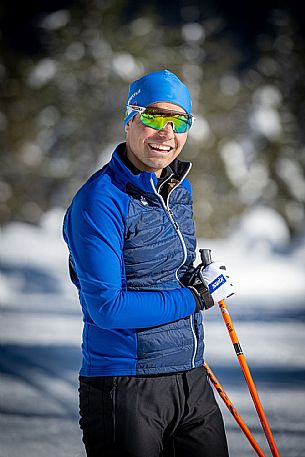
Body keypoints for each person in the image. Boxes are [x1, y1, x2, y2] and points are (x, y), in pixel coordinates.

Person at [63, 69, 234, 457]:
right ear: (130, 119)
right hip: (126, 386)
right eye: (155, 117)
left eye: (180, 121)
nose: (166, 132)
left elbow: (162, 273)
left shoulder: (178, 187)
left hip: (191, 376)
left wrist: (197, 277)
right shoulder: (99, 201)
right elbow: (107, 308)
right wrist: (195, 297)